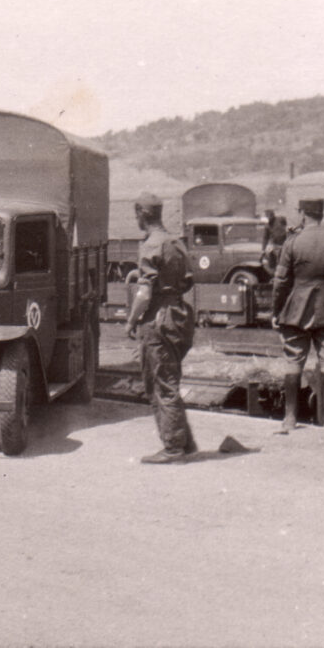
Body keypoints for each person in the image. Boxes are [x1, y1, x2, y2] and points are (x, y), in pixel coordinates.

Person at [271, 199, 324, 436]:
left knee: (293, 360)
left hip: (297, 309)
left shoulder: (293, 243)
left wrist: (277, 311)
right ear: (322, 214)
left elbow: (280, 282)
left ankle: (289, 418)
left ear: (303, 214)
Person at [123, 196, 197, 464]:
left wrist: (132, 320)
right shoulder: (175, 243)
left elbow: (144, 293)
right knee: (170, 377)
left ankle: (173, 448)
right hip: (179, 315)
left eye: (137, 216)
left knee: (160, 383)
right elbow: (188, 281)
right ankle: (184, 442)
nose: (137, 221)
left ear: (142, 214)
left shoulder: (151, 246)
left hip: (158, 320)